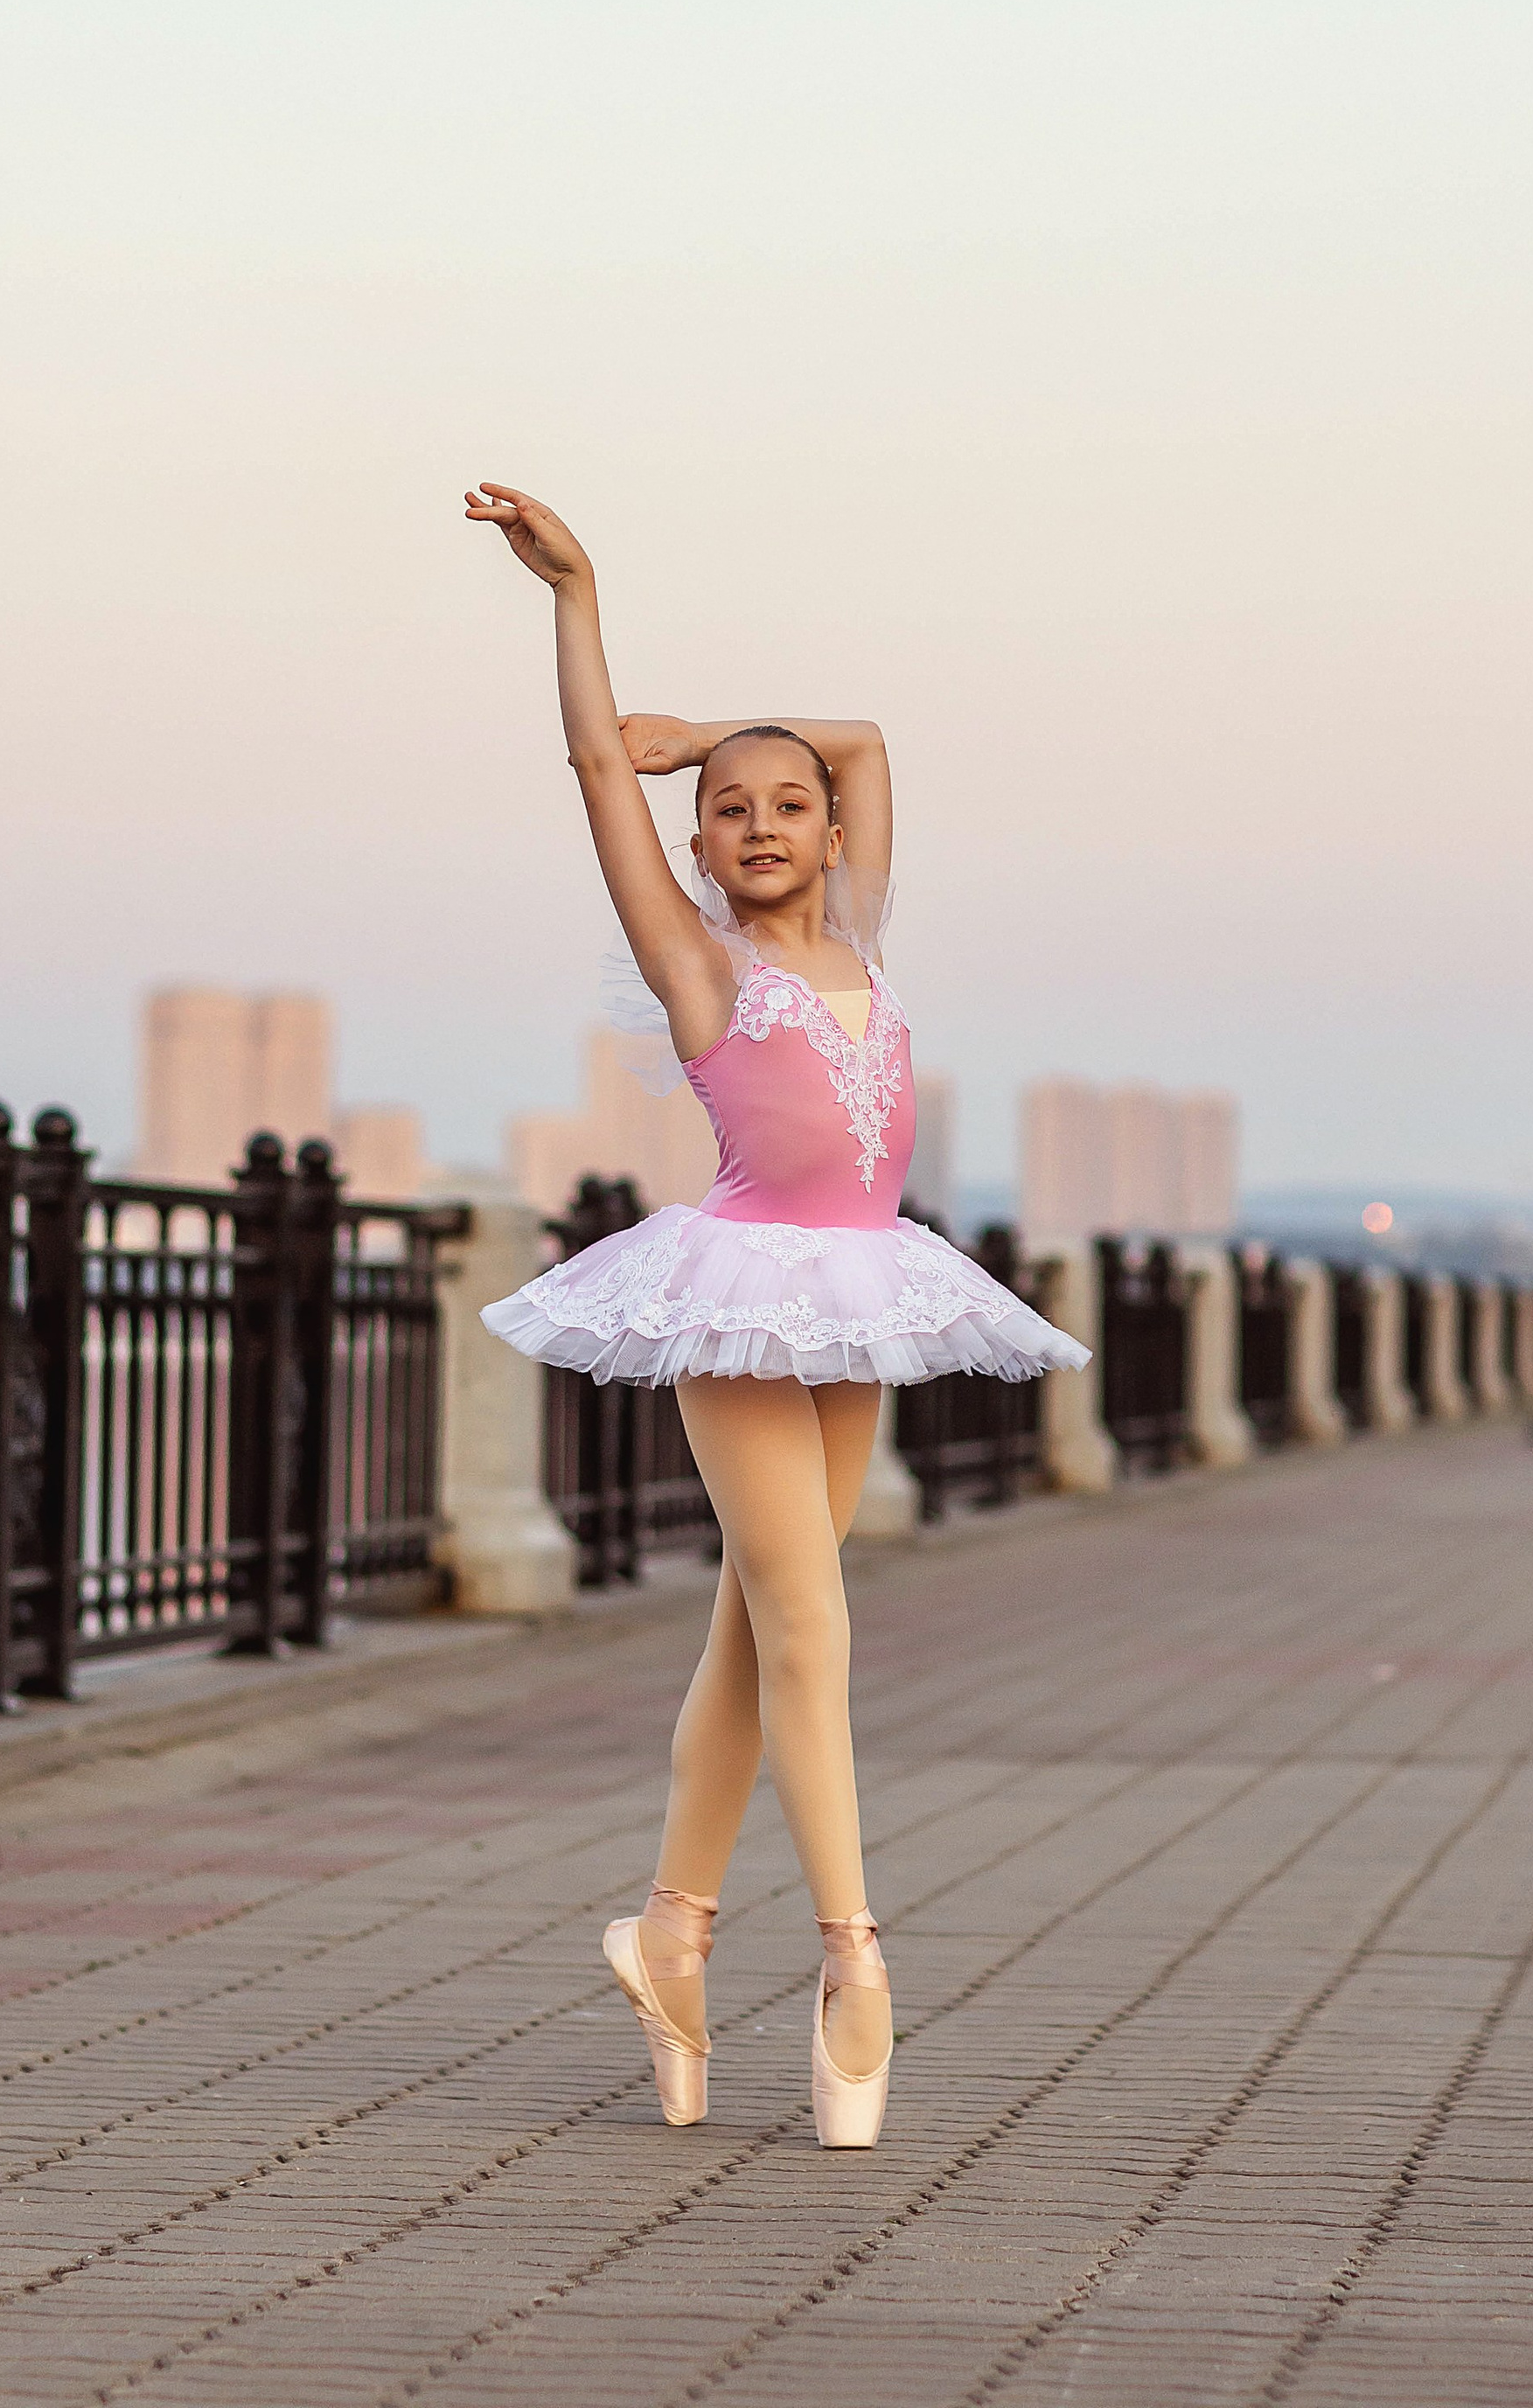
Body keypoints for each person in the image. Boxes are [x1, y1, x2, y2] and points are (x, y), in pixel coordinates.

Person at [463, 482, 1087, 2149]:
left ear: (825, 836)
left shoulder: (865, 936)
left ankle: (668, 1934)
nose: (758, 823)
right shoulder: (700, 968)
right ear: (697, 850)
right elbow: (597, 773)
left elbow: (867, 738)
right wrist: (581, 602)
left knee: (757, 1636)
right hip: (742, 1303)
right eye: (726, 809)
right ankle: (852, 1959)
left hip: (859, 1297)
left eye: (785, 806)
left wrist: (711, 727)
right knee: (813, 1630)